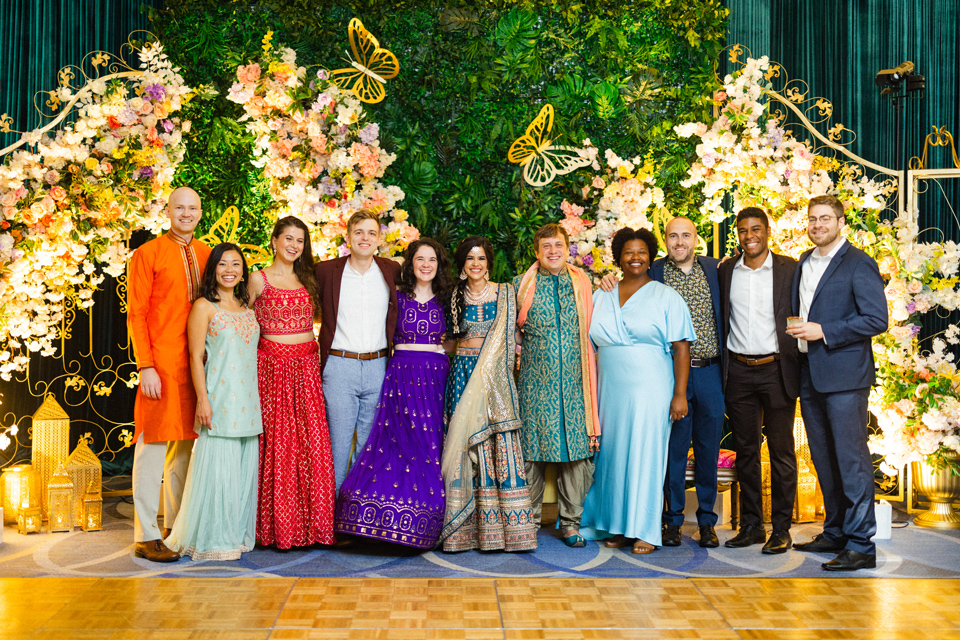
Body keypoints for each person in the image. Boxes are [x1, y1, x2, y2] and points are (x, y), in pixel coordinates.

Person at [787, 195, 888, 571]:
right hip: (811, 375)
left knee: (851, 460)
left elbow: (876, 319)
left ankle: (861, 544)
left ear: (840, 222)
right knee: (823, 459)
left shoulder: (859, 263)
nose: (817, 225)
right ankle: (836, 531)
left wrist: (823, 330)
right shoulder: (804, 261)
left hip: (846, 378)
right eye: (812, 219)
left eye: (825, 219)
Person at [581, 227, 694, 554]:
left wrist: (680, 394)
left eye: (641, 252)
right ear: (618, 256)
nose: (635, 258)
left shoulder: (666, 295)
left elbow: (682, 348)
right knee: (612, 458)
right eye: (628, 252)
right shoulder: (601, 293)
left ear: (651, 256)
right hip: (610, 390)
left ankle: (645, 530)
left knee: (646, 457)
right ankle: (618, 526)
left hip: (651, 389)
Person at [334, 238, 453, 549]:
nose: (426, 265)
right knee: (394, 441)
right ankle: (374, 521)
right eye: (420, 259)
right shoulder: (395, 296)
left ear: (438, 266)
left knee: (429, 444)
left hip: (434, 376)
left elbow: (455, 339)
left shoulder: (447, 299)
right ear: (410, 263)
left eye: (432, 260)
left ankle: (423, 522)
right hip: (400, 373)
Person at [128, 186, 212, 562]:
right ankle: (145, 534)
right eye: (179, 207)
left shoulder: (206, 254)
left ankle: (175, 528)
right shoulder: (148, 254)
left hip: (194, 365)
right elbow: (137, 313)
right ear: (167, 211)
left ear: (199, 213)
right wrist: (145, 364)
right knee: (152, 448)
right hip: (159, 364)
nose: (186, 214)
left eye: (192, 208)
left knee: (183, 449)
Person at [440, 236, 538, 553]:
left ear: (489, 263)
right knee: (459, 446)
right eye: (470, 259)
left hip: (495, 382)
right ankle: (461, 532)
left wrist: (490, 375)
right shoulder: (453, 295)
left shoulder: (506, 294)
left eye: (481, 258)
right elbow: (450, 345)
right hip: (462, 378)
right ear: (462, 264)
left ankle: (502, 532)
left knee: (495, 448)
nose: (476, 264)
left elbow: (509, 341)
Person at [165, 243, 262, 560]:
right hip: (219, 399)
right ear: (213, 269)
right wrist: (203, 401)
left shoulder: (247, 308)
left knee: (242, 471)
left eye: (236, 264)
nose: (230, 270)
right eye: (223, 264)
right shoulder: (204, 307)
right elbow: (194, 358)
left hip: (248, 400)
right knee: (218, 471)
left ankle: (234, 533)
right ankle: (213, 537)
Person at [249, 216, 336, 548]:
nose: (293, 245)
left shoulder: (309, 279)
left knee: (311, 445)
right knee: (278, 446)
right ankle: (272, 529)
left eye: (299, 240)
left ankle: (312, 527)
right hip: (271, 371)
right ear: (274, 240)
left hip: (306, 370)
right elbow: (241, 321)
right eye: (287, 238)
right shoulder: (258, 279)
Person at [513, 224, 599, 548]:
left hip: (577, 387)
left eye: (558, 245)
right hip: (535, 386)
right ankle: (528, 521)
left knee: (575, 457)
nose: (552, 251)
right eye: (546, 246)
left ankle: (570, 523)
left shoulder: (582, 283)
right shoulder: (522, 286)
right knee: (531, 456)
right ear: (537, 252)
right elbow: (512, 332)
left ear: (567, 248)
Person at [719, 207, 799, 554]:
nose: (749, 235)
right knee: (746, 451)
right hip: (737, 370)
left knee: (781, 452)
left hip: (776, 369)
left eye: (756, 229)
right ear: (736, 235)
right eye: (742, 230)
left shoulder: (790, 269)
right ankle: (751, 524)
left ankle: (781, 528)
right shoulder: (725, 272)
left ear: (768, 231)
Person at [652, 217, 725, 549]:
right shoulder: (653, 272)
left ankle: (708, 522)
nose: (679, 241)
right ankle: (673, 521)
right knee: (675, 451)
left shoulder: (716, 269)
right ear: (665, 240)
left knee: (709, 449)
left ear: (697, 239)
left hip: (709, 371)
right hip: (671, 376)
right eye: (672, 236)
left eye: (685, 235)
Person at [315, 210, 401, 491]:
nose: (365, 238)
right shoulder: (326, 271)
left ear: (379, 238)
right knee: (338, 443)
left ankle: (356, 512)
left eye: (371, 233)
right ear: (348, 236)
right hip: (339, 365)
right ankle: (330, 517)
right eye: (359, 232)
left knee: (369, 443)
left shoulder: (390, 270)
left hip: (378, 365)